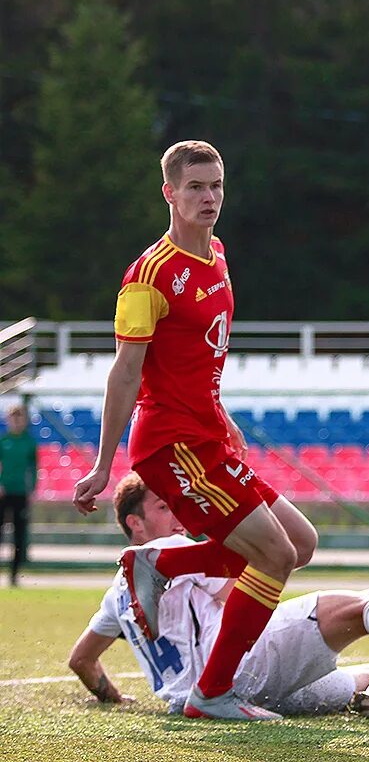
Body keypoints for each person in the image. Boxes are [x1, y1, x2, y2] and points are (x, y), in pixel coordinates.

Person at [72, 140, 321, 719]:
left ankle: (160, 563)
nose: (209, 198)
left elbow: (198, 359)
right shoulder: (149, 277)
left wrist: (223, 415)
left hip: (207, 432)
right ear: (169, 193)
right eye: (195, 188)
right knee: (276, 555)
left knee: (301, 544)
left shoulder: (218, 256)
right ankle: (211, 694)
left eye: (216, 186)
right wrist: (104, 463)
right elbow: (125, 372)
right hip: (171, 443)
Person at [67, 473, 369, 717]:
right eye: (164, 508)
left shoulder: (115, 597)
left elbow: (81, 660)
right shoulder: (170, 553)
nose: (179, 517)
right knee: (368, 603)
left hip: (211, 696)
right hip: (240, 671)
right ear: (134, 526)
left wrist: (115, 698)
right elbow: (245, 597)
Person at [0, 403, 38, 586]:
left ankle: (14, 575)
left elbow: (33, 469)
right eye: (13, 417)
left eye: (20, 417)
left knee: (19, 535)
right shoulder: (3, 441)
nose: (16, 421)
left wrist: (32, 490)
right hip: (3, 492)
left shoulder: (29, 443)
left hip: (20, 493)